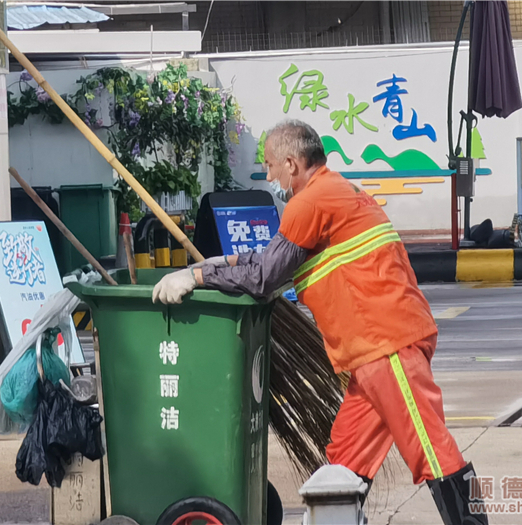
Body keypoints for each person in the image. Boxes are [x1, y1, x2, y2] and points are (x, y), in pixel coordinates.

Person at [152, 120, 488, 525]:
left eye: (271, 165)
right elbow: (272, 260)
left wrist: (197, 276)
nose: (269, 175)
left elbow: (263, 279)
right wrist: (223, 262)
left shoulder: (310, 202)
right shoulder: (338, 191)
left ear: (292, 164)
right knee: (344, 462)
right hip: (370, 356)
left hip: (387, 345)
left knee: (432, 451)